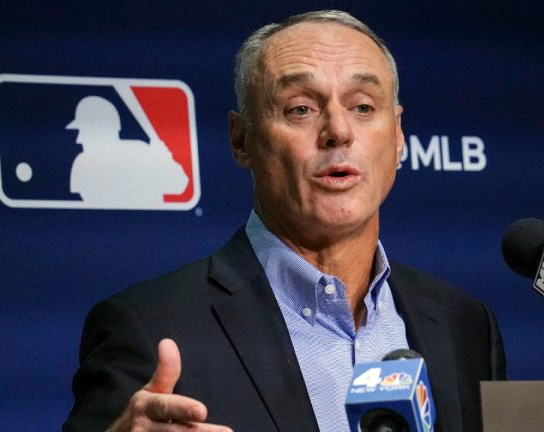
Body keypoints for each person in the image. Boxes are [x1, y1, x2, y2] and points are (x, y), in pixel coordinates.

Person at [64, 9, 505, 432]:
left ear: (399, 135)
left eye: (364, 106)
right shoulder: (152, 327)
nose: (338, 130)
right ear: (242, 140)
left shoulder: (462, 325)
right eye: (300, 109)